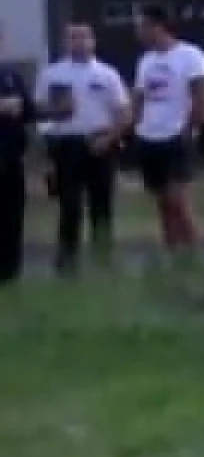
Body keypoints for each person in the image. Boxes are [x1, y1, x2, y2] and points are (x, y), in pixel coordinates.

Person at [36, 21, 131, 274]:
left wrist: (110, 138)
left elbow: (122, 112)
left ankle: (104, 259)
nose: (78, 42)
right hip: (66, 145)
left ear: (93, 41)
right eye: (73, 37)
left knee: (102, 204)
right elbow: (40, 112)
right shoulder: (52, 74)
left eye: (83, 37)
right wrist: (47, 142)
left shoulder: (107, 74)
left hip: (100, 143)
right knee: (70, 204)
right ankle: (67, 262)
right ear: (66, 42)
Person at [130, 3, 204, 260]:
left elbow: (199, 94)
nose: (138, 33)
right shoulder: (146, 61)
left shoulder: (189, 55)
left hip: (176, 134)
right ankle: (173, 253)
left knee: (179, 199)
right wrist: (135, 127)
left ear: (157, 26)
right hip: (150, 136)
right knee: (162, 202)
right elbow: (140, 98)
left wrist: (191, 127)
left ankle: (194, 253)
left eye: (141, 27)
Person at [0, 21, 33, 285]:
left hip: (10, 158)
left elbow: (30, 111)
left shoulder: (12, 75)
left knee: (12, 217)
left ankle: (11, 274)